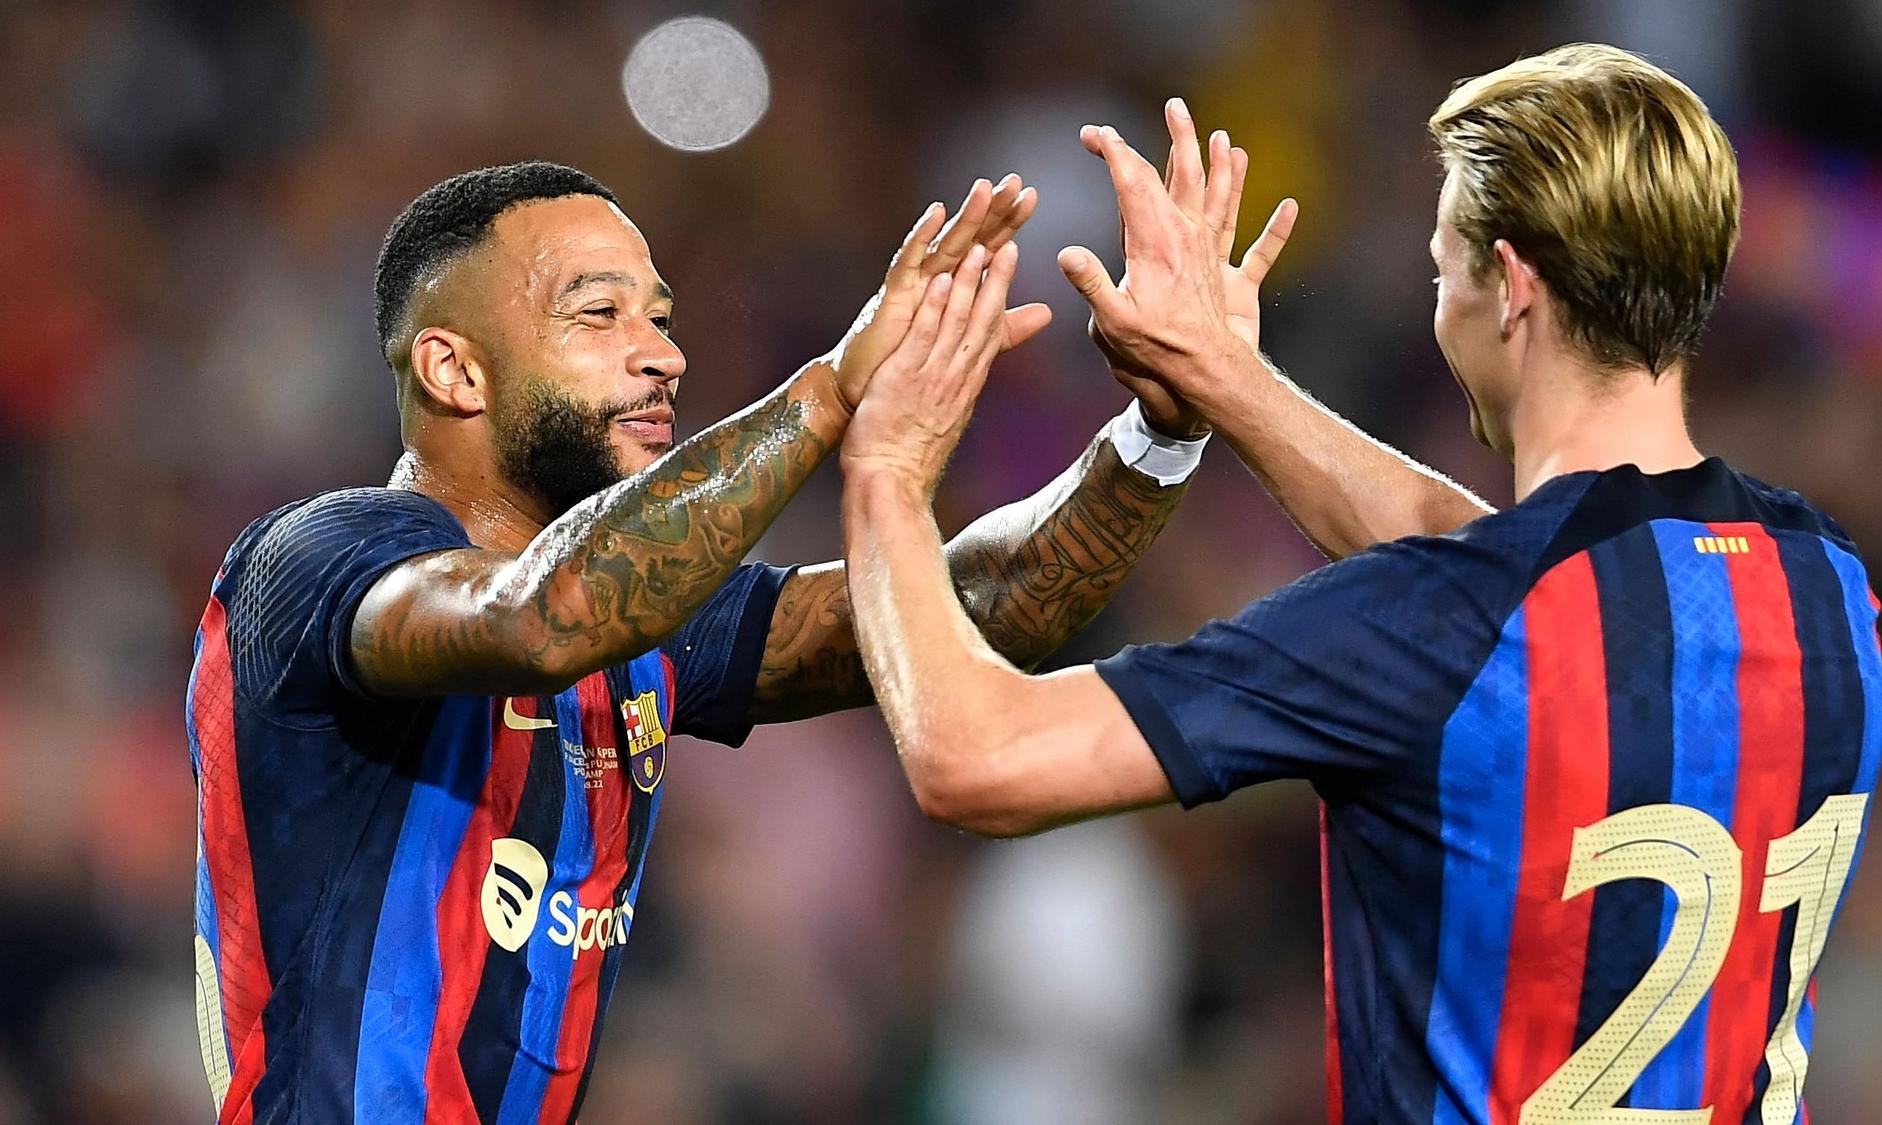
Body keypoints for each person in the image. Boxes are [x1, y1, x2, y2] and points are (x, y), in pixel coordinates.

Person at [841, 48, 1882, 1124]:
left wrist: (883, 468)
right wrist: (1222, 377)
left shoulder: (1444, 626)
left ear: (1512, 286)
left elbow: (973, 754)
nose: (1440, 310)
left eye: (1445, 273)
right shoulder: (1828, 588)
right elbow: (1506, 576)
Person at [186, 160, 1236, 1123]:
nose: (664, 354)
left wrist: (1160, 434)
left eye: (660, 316)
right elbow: (543, 617)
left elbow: (980, 603)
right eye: (598, 314)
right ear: (454, 371)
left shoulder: (648, 624)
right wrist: (828, 392)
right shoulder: (321, 558)